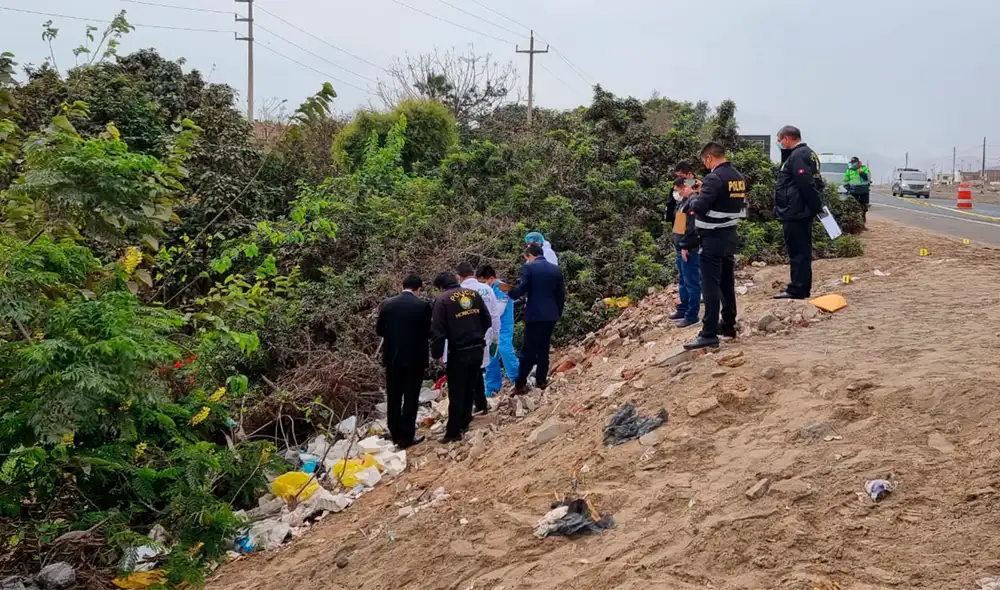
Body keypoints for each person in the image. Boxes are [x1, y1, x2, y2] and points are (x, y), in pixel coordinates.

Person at [684, 142, 747, 350]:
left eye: (704, 161)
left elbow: (700, 208)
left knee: (710, 286)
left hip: (712, 238)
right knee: (726, 283)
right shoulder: (738, 177)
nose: (705, 165)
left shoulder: (714, 178)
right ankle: (728, 324)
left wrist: (694, 195)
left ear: (709, 158)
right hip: (729, 236)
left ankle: (709, 332)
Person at [430, 272, 492, 443]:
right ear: (456, 280)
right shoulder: (474, 294)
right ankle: (465, 421)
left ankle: (453, 432)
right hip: (478, 348)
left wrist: (437, 354)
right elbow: (487, 320)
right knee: (470, 387)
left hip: (458, 351)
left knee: (456, 392)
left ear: (441, 287)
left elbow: (437, 331)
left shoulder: (442, 301)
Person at [375, 275, 432, 448]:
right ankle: (407, 437)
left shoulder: (387, 304)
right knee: (410, 397)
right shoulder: (422, 306)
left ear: (403, 286)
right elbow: (428, 332)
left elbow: (379, 331)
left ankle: (395, 432)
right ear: (418, 289)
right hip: (415, 358)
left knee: (393, 396)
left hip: (392, 358)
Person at [773, 125, 823, 300]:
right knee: (799, 250)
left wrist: (815, 208)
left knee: (798, 252)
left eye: (779, 140)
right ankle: (800, 286)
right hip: (796, 211)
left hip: (796, 212)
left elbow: (806, 185)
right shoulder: (805, 154)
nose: (779, 144)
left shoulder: (798, 156)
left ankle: (798, 289)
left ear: (787, 138)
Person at [510, 243, 566, 395]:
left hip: (535, 315)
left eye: (526, 258)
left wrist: (510, 292)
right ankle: (541, 380)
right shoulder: (555, 269)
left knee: (527, 351)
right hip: (551, 315)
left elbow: (522, 289)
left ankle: (520, 384)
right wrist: (557, 313)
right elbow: (561, 296)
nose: (526, 261)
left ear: (530, 256)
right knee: (543, 348)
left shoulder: (529, 268)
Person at [455, 262, 501, 417]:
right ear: (474, 273)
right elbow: (494, 315)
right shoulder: (487, 289)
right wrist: (495, 335)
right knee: (480, 369)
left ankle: (471, 408)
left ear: (458, 277)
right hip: (486, 335)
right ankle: (481, 403)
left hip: (467, 338)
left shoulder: (459, 293)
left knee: (469, 374)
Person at [476, 265, 520, 396]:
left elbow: (498, 311)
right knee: (491, 357)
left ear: (491, 278)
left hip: (503, 327)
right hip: (491, 328)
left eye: (484, 282)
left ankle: (518, 381)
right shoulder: (487, 289)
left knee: (506, 352)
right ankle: (492, 387)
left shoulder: (502, 287)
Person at [668, 177, 702, 328]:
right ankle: (683, 309)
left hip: (688, 249)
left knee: (691, 282)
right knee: (683, 281)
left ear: (685, 188)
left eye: (678, 189)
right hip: (680, 247)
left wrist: (686, 246)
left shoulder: (693, 202)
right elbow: (679, 225)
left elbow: (692, 229)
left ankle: (692, 315)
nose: (677, 192)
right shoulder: (683, 202)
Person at [844, 157, 871, 224]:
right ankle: (855, 224)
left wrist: (860, 171)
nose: (853, 164)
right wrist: (848, 188)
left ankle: (863, 223)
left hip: (863, 191)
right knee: (853, 208)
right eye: (852, 163)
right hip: (854, 192)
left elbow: (867, 178)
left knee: (864, 208)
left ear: (858, 162)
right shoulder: (849, 170)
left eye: (854, 163)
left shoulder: (865, 168)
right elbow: (845, 181)